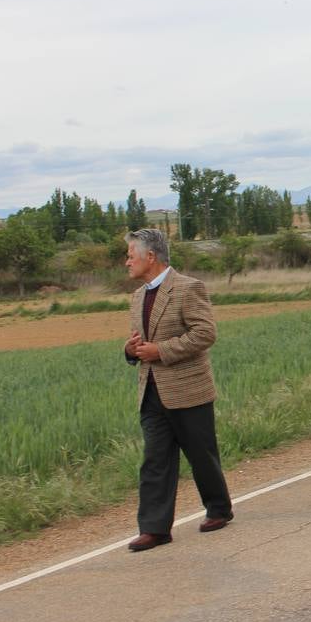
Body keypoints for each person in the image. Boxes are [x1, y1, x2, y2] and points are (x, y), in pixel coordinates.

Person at [122, 228, 233, 552]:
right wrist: (131, 351)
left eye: (131, 255)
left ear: (150, 257)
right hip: (151, 391)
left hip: (188, 388)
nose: (126, 261)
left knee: (202, 455)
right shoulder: (138, 296)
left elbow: (205, 334)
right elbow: (141, 343)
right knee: (154, 459)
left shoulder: (188, 288)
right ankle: (155, 529)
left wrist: (162, 351)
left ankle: (218, 508)